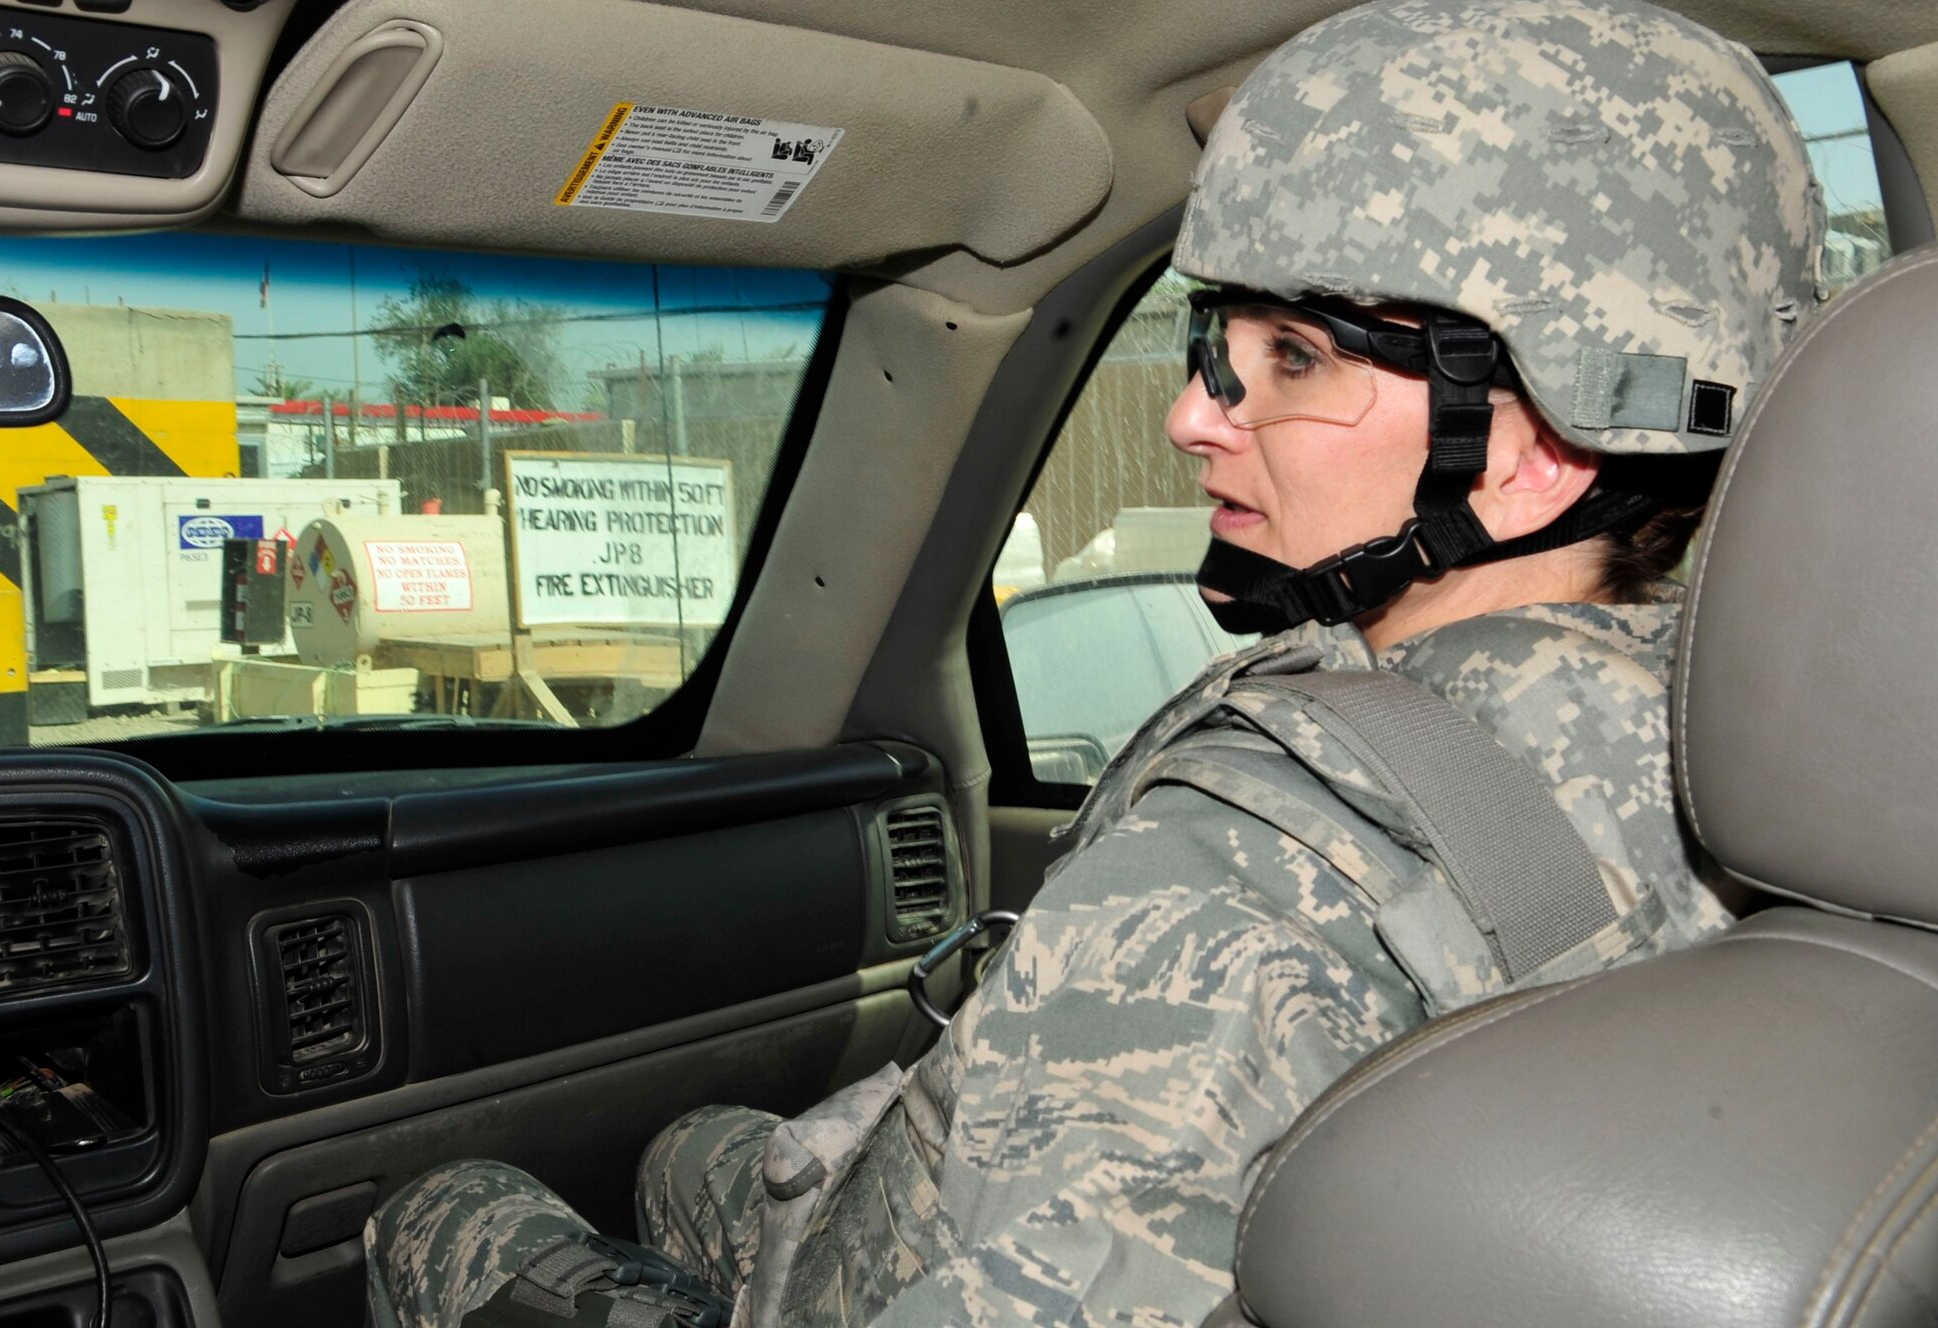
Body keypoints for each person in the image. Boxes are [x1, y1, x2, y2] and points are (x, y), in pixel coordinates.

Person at [365, 1, 1827, 1324]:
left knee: (437, 1215)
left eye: (1294, 358)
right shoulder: (1784, 761)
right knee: (698, 1150)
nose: (1199, 417)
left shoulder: (1244, 883)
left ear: (1524, 452)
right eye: (1217, 342)